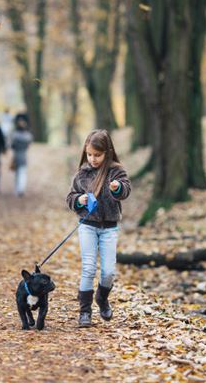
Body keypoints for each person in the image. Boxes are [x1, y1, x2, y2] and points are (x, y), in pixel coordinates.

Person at [66, 129, 131, 327]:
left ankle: (102, 298)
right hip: (87, 226)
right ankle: (84, 312)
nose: (93, 159)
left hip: (109, 228)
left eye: (97, 155)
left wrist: (117, 188)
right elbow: (70, 198)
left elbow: (126, 190)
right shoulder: (82, 174)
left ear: (107, 152)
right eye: (90, 155)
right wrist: (79, 200)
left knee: (109, 272)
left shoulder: (116, 171)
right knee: (88, 268)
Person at [10, 118, 33, 197]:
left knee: (17, 174)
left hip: (16, 156)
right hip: (23, 156)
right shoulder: (28, 136)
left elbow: (11, 146)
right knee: (22, 173)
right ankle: (21, 189)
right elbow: (29, 145)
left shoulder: (14, 135)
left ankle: (18, 190)